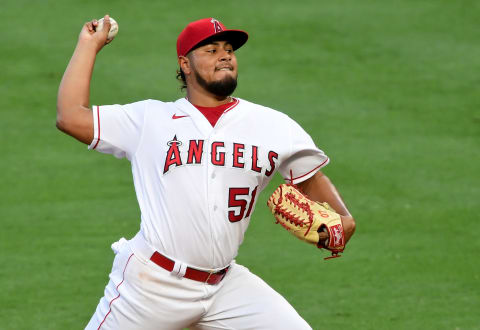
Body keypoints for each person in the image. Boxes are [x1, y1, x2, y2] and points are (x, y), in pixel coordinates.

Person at [57, 15, 356, 330]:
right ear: (185, 65)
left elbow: (311, 180)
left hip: (225, 286)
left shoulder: (273, 125)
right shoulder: (149, 120)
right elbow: (70, 116)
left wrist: (343, 224)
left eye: (228, 49)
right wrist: (88, 45)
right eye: (211, 50)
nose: (225, 55)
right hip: (152, 284)